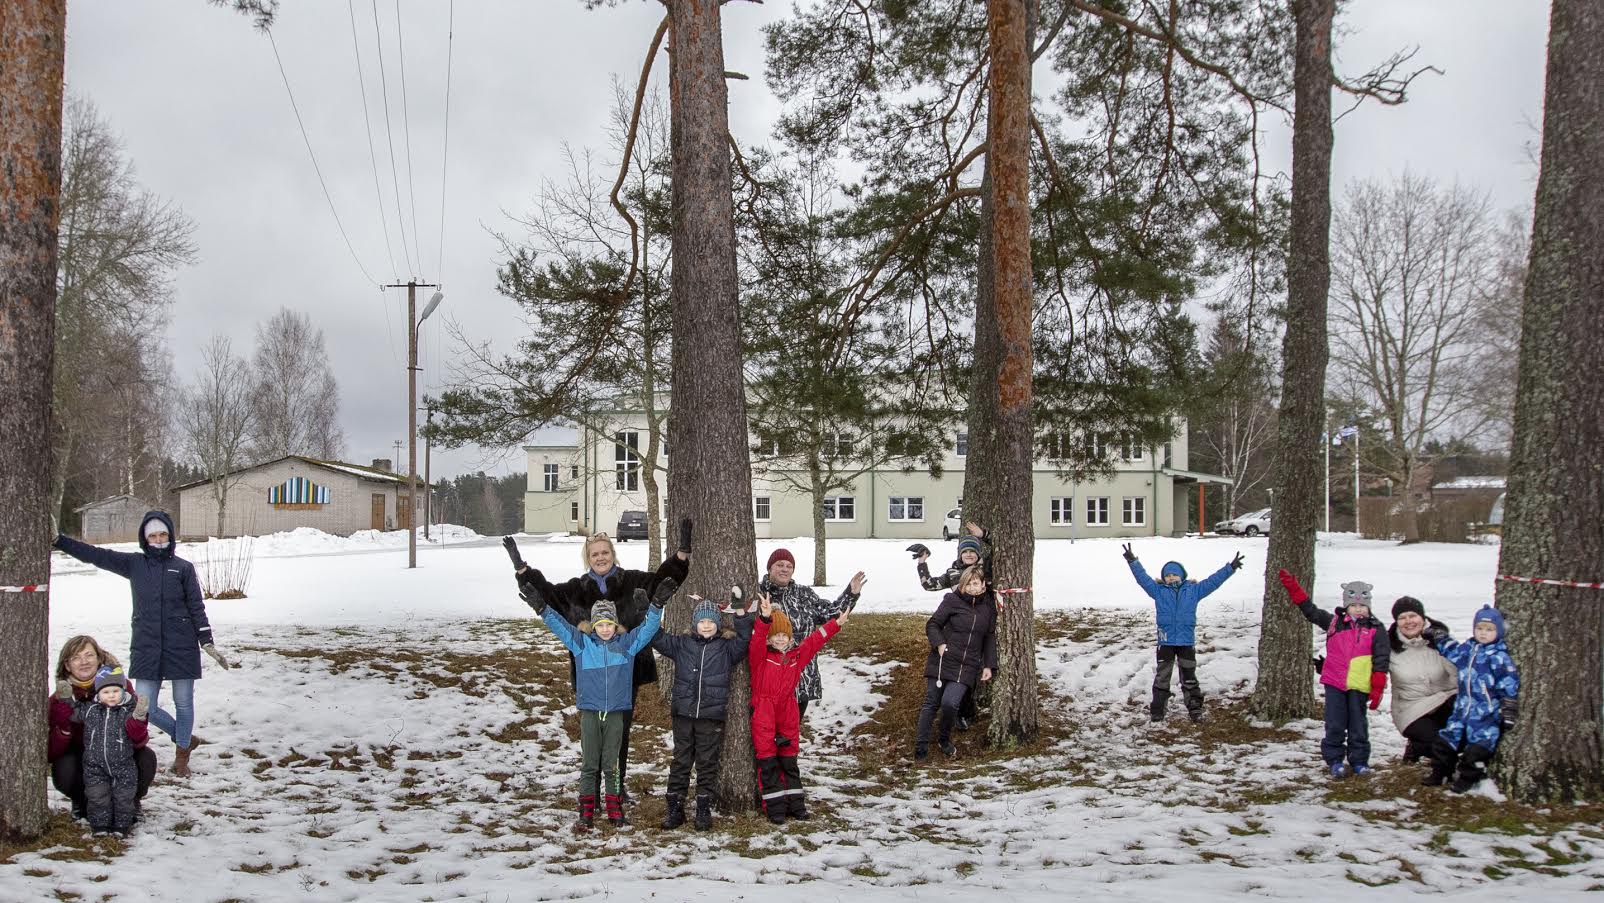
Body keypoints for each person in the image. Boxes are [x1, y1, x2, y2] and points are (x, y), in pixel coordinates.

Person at [507, 520, 691, 800]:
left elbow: (661, 584)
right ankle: (591, 786)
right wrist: (523, 570)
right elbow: (546, 596)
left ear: (613, 554)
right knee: (593, 735)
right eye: (595, 554)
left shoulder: (633, 582)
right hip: (590, 675)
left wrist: (680, 558)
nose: (601, 558)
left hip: (626, 671)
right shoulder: (575, 589)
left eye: (605, 552)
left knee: (620, 732)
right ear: (588, 559)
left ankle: (616, 788)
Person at [52, 511, 232, 777]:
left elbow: (196, 606)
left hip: (181, 645)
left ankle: (181, 755)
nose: (158, 540)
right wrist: (60, 541)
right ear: (144, 539)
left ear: (170, 537)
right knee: (144, 704)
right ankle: (183, 737)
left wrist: (206, 641)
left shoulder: (183, 568)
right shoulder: (134, 564)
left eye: (163, 535)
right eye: (153, 536)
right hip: (146, 645)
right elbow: (97, 555)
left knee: (183, 702)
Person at [522, 583, 669, 831]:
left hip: (615, 715)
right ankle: (586, 811)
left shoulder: (627, 645)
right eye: (599, 624)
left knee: (612, 764)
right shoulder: (581, 644)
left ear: (615, 625)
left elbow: (648, 628)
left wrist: (656, 606)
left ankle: (614, 809)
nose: (604, 629)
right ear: (593, 625)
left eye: (608, 624)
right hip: (590, 713)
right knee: (590, 764)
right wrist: (541, 608)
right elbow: (559, 626)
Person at [649, 589, 755, 831]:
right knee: (681, 761)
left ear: (717, 624)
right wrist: (652, 610)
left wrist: (740, 611)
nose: (706, 626)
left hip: (710, 714)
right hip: (683, 713)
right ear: (694, 624)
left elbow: (745, 639)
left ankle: (703, 808)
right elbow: (656, 638)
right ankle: (675, 808)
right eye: (702, 621)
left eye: (710, 621)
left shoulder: (726, 648)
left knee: (707, 762)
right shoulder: (682, 645)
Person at [750, 590, 850, 824]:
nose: (780, 639)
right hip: (764, 711)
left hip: (788, 710)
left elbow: (815, 641)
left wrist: (835, 624)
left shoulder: (796, 656)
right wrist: (765, 619)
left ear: (790, 637)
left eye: (784, 635)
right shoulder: (761, 657)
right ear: (769, 638)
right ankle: (774, 808)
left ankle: (796, 804)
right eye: (776, 636)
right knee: (768, 761)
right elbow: (756, 640)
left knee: (789, 760)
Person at [1279, 569, 1389, 778]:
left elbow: (1382, 658)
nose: (1358, 610)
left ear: (1369, 607)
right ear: (1347, 606)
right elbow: (1310, 611)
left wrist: (1378, 684)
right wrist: (1295, 589)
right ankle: (1335, 760)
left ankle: (1359, 761)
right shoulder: (1334, 623)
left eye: (1362, 606)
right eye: (1354, 605)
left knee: (1358, 725)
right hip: (1335, 683)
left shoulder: (1377, 629)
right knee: (1335, 723)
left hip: (1359, 685)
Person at [1123, 544, 1244, 724]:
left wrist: (1230, 568)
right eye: (1167, 575)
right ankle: (1158, 709)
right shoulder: (1158, 591)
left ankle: (1195, 707)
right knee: (1162, 676)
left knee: (1189, 675)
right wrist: (1133, 561)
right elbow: (1143, 579)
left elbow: (1213, 581)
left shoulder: (1194, 590)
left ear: (1182, 575)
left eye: (1174, 574)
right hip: (1166, 642)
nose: (1171, 578)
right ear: (1164, 578)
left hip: (1186, 641)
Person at [48, 637, 156, 820]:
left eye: (89, 655)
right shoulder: (61, 697)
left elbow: (139, 741)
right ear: (67, 665)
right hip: (85, 760)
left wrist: (136, 726)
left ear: (99, 658)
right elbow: (51, 753)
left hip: (120, 753)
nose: (84, 661)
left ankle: (130, 801)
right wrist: (63, 727)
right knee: (63, 767)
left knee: (146, 757)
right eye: (76, 657)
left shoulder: (121, 687)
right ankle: (82, 802)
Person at [756, 548, 864, 720]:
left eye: (789, 566)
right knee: (766, 733)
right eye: (779, 565)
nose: (784, 569)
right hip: (770, 681)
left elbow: (831, 613)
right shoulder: (759, 594)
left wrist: (851, 593)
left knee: (791, 733)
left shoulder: (804, 594)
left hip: (802, 678)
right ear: (770, 568)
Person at [1426, 606, 1520, 793]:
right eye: (1480, 628)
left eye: (1489, 629)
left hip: (1485, 715)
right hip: (1461, 711)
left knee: (1477, 749)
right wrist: (1439, 637)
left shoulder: (1499, 658)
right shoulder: (1467, 650)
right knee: (1445, 741)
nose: (1483, 633)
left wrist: (1508, 710)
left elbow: (1508, 684)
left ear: (1499, 631)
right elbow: (1452, 651)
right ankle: (1441, 773)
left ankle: (1468, 779)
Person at [914, 565, 997, 761]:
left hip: (967, 665)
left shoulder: (988, 608)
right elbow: (933, 624)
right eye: (968, 583)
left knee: (950, 704)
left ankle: (944, 739)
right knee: (931, 702)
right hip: (943, 660)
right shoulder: (952, 600)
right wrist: (939, 643)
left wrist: (988, 665)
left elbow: (989, 637)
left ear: (983, 584)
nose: (972, 587)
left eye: (975, 583)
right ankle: (921, 745)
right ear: (962, 585)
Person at [59, 665, 149, 837]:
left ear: (123, 691)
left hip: (123, 765)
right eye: (106, 692)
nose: (111, 695)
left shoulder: (127, 711)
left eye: (116, 691)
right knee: (97, 796)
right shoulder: (91, 709)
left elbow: (136, 732)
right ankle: (100, 826)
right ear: (98, 693)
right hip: (95, 766)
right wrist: (65, 699)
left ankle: (121, 827)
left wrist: (139, 717)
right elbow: (74, 713)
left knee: (123, 797)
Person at [1385, 596, 1458, 764]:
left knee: (1465, 739)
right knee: (1443, 749)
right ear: (1396, 622)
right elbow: (1367, 666)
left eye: (1413, 616)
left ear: (1423, 617)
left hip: (1446, 699)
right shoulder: (1389, 646)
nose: (1408, 621)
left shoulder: (1441, 639)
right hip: (1412, 708)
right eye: (1402, 618)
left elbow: (1460, 674)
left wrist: (1442, 646)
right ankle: (1417, 747)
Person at [909, 521, 992, 592]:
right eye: (965, 552)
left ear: (978, 554)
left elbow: (1001, 548)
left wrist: (984, 535)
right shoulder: (953, 573)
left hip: (984, 609)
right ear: (960, 555)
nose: (969, 555)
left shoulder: (987, 566)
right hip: (961, 609)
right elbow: (929, 585)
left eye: (972, 551)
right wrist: (921, 561)